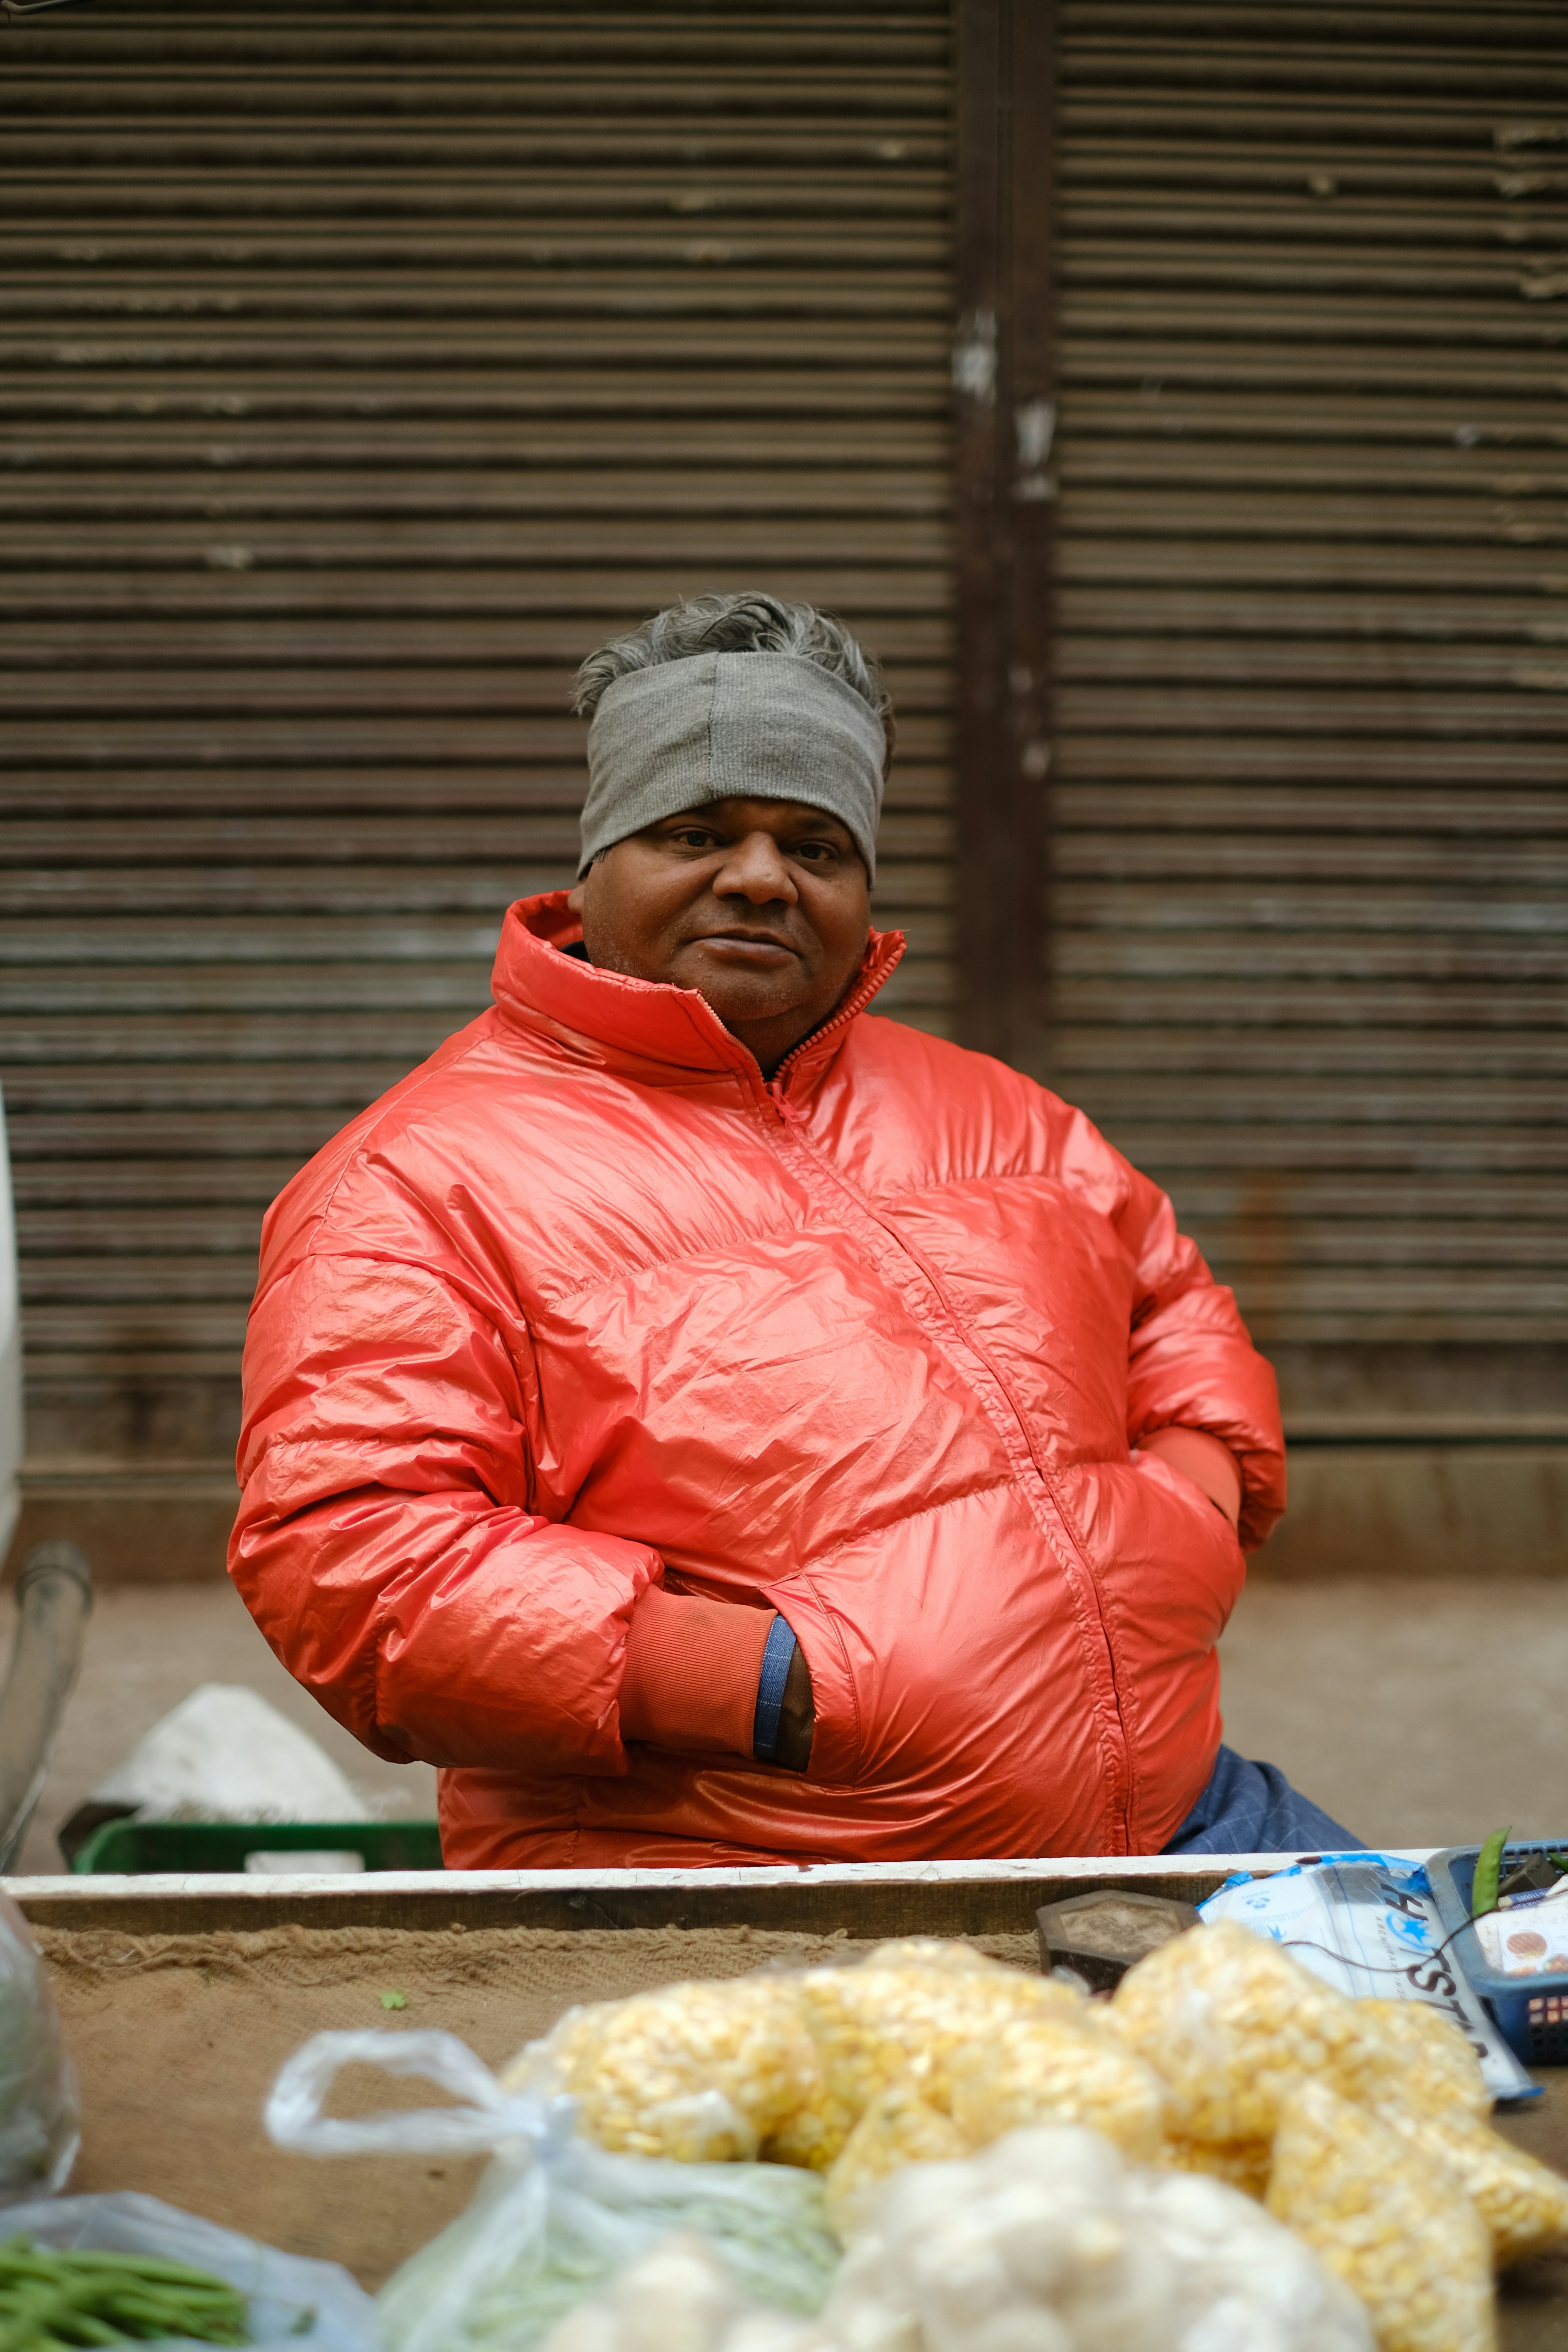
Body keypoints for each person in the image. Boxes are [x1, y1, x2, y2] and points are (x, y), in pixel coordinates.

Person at [229, 592, 1361, 1868]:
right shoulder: (415, 1179)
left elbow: (1174, 1303)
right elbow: (354, 1557)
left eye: (815, 847)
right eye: (698, 830)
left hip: (1178, 1817)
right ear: (596, 864)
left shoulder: (996, 1107)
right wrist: (768, 1686)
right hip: (756, 1867)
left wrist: (1191, 1508)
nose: (762, 877)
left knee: (1461, 2040)